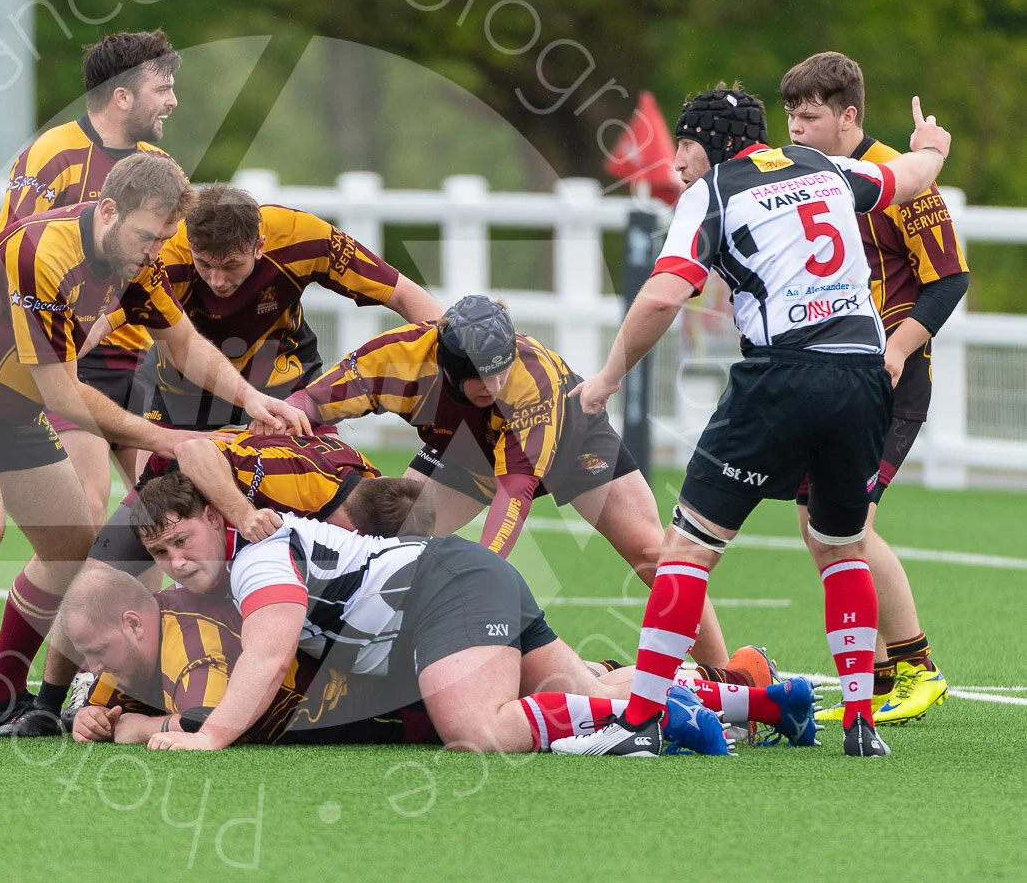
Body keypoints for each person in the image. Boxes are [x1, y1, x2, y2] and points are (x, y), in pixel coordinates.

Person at [552, 84, 951, 759]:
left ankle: (641, 721)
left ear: (709, 142)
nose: (675, 163)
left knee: (687, 551)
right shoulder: (823, 166)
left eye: (683, 145)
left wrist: (607, 379)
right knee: (841, 547)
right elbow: (908, 178)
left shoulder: (713, 192)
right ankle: (861, 724)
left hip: (782, 377)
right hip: (861, 379)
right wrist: (932, 148)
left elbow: (663, 294)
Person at [0, 152, 309, 742]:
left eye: (163, 240)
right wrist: (173, 440)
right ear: (108, 211)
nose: (154, 252)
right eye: (147, 236)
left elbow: (184, 344)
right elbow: (64, 390)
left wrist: (252, 398)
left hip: (15, 401)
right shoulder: (43, 252)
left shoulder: (136, 259)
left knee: (73, 542)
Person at [120, 472, 789, 755]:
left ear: (214, 517)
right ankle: (760, 698)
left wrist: (209, 736)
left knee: (479, 731)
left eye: (183, 540)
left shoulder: (255, 558)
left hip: (445, 588)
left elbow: (268, 658)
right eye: (160, 551)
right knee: (579, 690)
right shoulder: (249, 555)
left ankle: (667, 715)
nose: (177, 561)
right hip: (457, 578)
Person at [276, 294, 733, 669]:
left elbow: (514, 495)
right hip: (460, 450)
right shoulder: (396, 358)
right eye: (481, 376)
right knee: (386, 541)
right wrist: (275, 426)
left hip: (571, 440)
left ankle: (725, 677)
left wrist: (482, 575)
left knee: (654, 553)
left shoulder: (528, 383)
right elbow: (309, 403)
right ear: (448, 368)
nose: (495, 384)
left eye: (501, 369)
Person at [0, 429, 409, 737]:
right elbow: (193, 451)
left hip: (206, 512)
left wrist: (140, 726)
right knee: (94, 589)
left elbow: (207, 716)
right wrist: (243, 514)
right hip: (183, 486)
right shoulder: (307, 487)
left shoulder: (345, 530)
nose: (174, 565)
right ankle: (49, 703)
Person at [779, 52, 966, 723]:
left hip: (891, 376)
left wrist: (895, 347)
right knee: (817, 526)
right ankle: (881, 677)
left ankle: (918, 668)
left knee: (847, 527)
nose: (795, 129)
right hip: (833, 374)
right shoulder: (805, 176)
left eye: (809, 117)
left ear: (848, 116)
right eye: (790, 116)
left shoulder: (902, 176)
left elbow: (950, 280)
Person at [0, 29, 182, 523]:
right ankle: (60, 604)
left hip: (137, 361)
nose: (173, 102)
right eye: (162, 89)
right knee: (87, 509)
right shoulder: (51, 153)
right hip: (67, 359)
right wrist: (78, 330)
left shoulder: (162, 168)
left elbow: (166, 272)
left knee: (163, 515)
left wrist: (110, 320)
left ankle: (143, 607)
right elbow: (12, 257)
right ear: (122, 97)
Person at [147, 184, 442, 428]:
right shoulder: (163, 257)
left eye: (231, 265)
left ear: (259, 246)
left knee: (327, 484)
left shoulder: (301, 236)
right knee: (153, 495)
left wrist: (457, 356)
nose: (217, 280)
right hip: (185, 384)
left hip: (283, 374)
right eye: (204, 264)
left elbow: (402, 293)